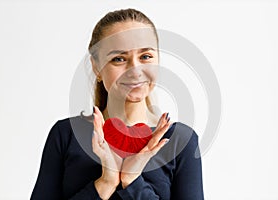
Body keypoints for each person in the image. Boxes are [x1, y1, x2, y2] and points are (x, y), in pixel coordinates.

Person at [30, 8, 204, 200]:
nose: (135, 70)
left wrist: (133, 181)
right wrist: (105, 183)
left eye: (146, 56)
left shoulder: (181, 140)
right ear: (96, 66)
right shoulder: (66, 134)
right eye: (119, 59)